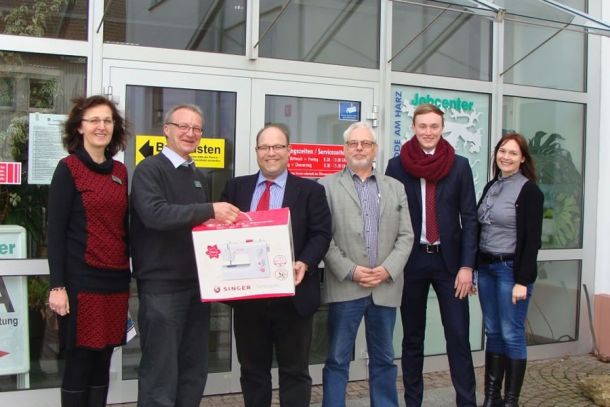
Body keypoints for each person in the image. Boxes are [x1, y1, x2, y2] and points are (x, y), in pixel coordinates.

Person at [130, 104, 240, 407]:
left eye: (197, 129)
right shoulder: (149, 170)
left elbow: (198, 226)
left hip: (196, 286)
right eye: (183, 126)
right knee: (160, 374)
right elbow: (155, 214)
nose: (190, 133)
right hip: (162, 288)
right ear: (167, 130)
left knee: (193, 370)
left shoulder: (196, 175)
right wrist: (210, 210)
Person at [220, 123, 332, 407]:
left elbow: (322, 233)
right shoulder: (235, 188)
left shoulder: (310, 191)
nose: (271, 153)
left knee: (294, 372)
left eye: (278, 146)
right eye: (265, 147)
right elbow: (220, 234)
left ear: (289, 151)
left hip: (293, 298)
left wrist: (305, 262)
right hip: (249, 299)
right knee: (253, 372)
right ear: (257, 151)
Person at [386, 103, 478, 406]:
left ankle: (466, 401)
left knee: (458, 336)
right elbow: (390, 216)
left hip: (449, 265)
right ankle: (413, 402)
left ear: (442, 128)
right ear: (414, 127)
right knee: (412, 339)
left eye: (434, 126)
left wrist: (467, 266)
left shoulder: (459, 165)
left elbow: (470, 218)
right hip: (411, 262)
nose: (428, 132)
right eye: (423, 126)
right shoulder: (397, 166)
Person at [319, 121, 414, 407]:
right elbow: (322, 236)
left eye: (366, 143)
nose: (359, 148)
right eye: (353, 143)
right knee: (337, 359)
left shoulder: (395, 188)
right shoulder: (326, 186)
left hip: (384, 287)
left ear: (375, 150)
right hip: (345, 286)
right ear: (344, 149)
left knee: (384, 359)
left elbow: (407, 235)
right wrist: (351, 270)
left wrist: (387, 270)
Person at [48, 95, 131, 407]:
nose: (102, 126)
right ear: (79, 128)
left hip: (115, 283)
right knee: (80, 361)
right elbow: (54, 233)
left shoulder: (120, 172)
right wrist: (57, 286)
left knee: (103, 361)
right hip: (81, 284)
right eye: (94, 120)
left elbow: (124, 226)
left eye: (108, 121)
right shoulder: (68, 169)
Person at [476, 132, 543, 407]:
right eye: (503, 151)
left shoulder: (529, 191)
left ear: (522, 158)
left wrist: (522, 280)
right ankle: (493, 397)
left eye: (513, 153)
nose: (506, 156)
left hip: (510, 271)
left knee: (511, 332)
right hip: (487, 268)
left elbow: (532, 240)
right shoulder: (492, 185)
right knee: (493, 331)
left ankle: (511, 400)